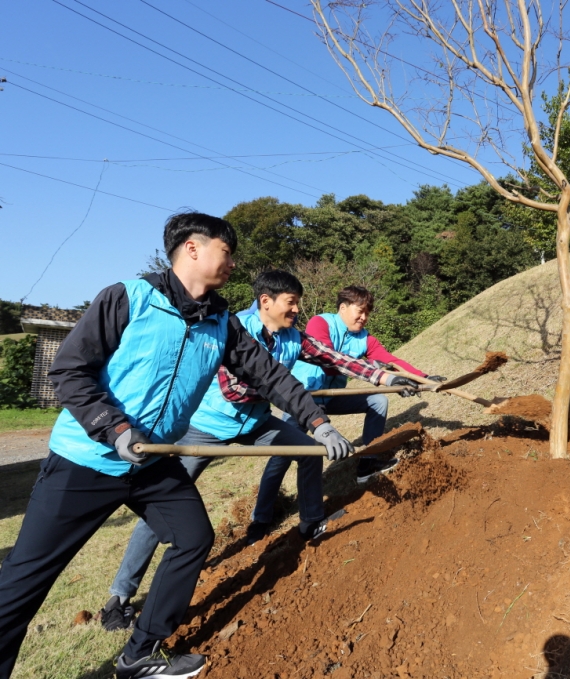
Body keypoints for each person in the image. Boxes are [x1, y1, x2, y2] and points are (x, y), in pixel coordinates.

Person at [0, 213, 348, 679]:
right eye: (227, 252)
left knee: (193, 538)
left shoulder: (221, 322)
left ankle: (140, 652)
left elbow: (269, 375)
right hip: (87, 461)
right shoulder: (128, 298)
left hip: (153, 462)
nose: (232, 263)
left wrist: (317, 422)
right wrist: (115, 428)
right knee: (27, 578)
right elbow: (68, 371)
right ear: (192, 249)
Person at [96, 270, 418, 635]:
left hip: (256, 424)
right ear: (267, 302)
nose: (297, 310)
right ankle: (120, 596)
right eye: (291, 303)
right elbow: (234, 389)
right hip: (206, 428)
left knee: (309, 449)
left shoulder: (294, 338)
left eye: (297, 303)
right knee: (163, 503)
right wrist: (284, 390)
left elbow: (335, 358)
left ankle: (311, 523)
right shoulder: (236, 330)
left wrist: (387, 378)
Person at [287, 285, 445, 484]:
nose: (364, 317)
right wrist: (371, 366)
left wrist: (424, 377)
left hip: (333, 396)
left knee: (377, 401)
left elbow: (389, 360)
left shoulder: (364, 338)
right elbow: (328, 364)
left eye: (367, 313)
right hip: (305, 398)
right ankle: (263, 510)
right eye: (360, 311)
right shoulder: (320, 323)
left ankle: (367, 465)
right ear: (343, 307)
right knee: (284, 453)